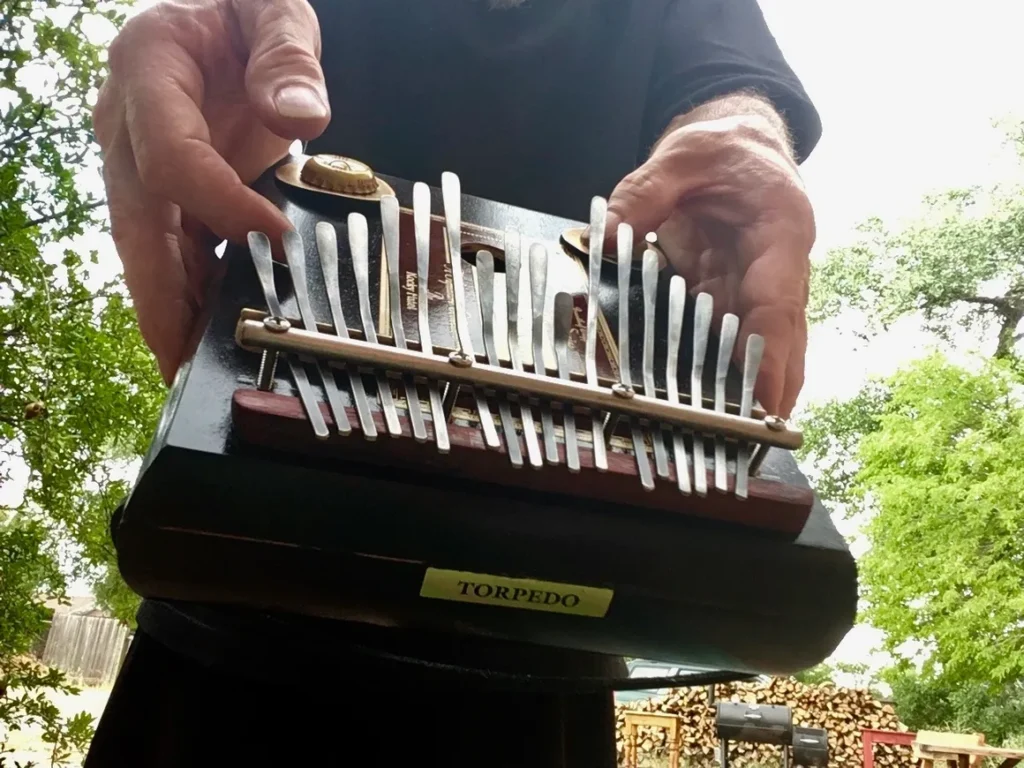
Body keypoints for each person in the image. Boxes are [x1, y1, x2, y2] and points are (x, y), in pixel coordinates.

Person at [85, 0, 820, 765]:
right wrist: (212, 31)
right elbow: (235, 19)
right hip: (240, 612)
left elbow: (729, 73)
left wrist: (748, 129)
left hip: (547, 657)